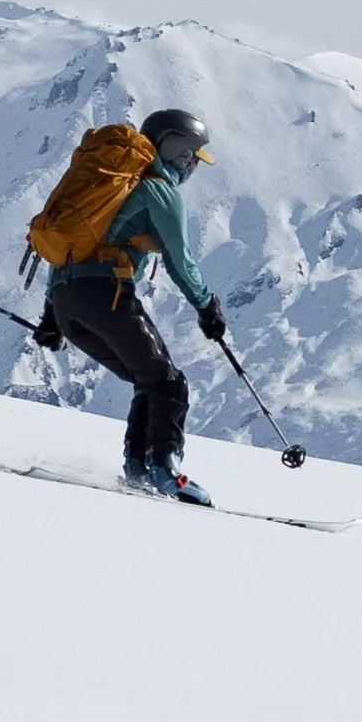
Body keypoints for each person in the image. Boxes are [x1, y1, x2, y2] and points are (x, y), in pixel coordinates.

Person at [33, 108, 228, 503]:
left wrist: (53, 315)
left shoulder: (115, 186)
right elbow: (180, 260)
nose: (192, 165)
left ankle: (139, 467)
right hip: (108, 295)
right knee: (169, 383)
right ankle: (163, 469)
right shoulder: (158, 189)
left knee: (150, 379)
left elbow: (71, 253)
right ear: (177, 150)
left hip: (71, 302)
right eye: (191, 156)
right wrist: (208, 307)